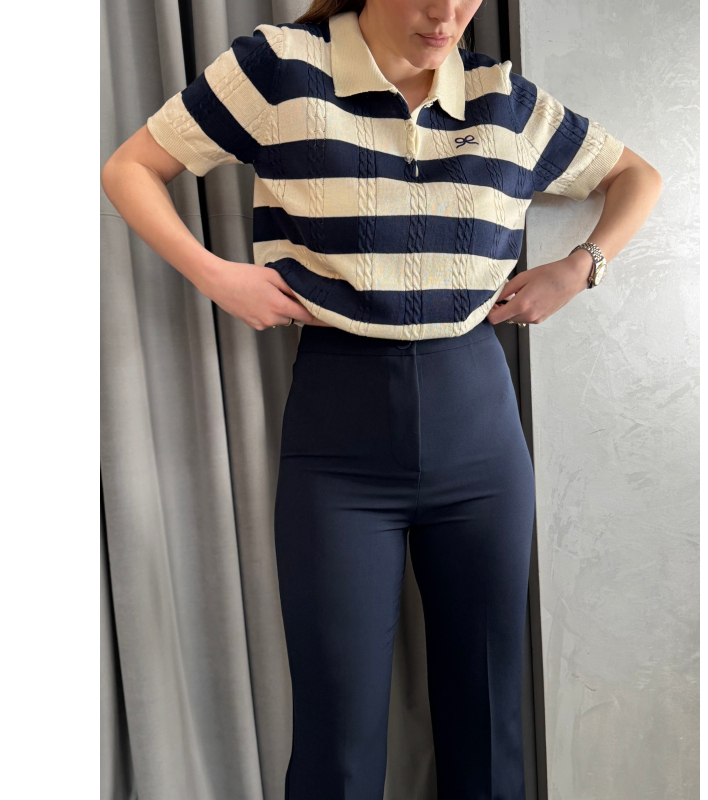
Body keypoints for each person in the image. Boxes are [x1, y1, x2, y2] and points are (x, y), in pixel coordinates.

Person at [101, 1, 662, 797]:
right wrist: (216, 276)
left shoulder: (505, 100)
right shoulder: (281, 67)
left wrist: (581, 266)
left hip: (477, 420)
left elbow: (638, 176)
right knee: (337, 733)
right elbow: (129, 167)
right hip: (339, 425)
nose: (448, 15)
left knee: (489, 716)